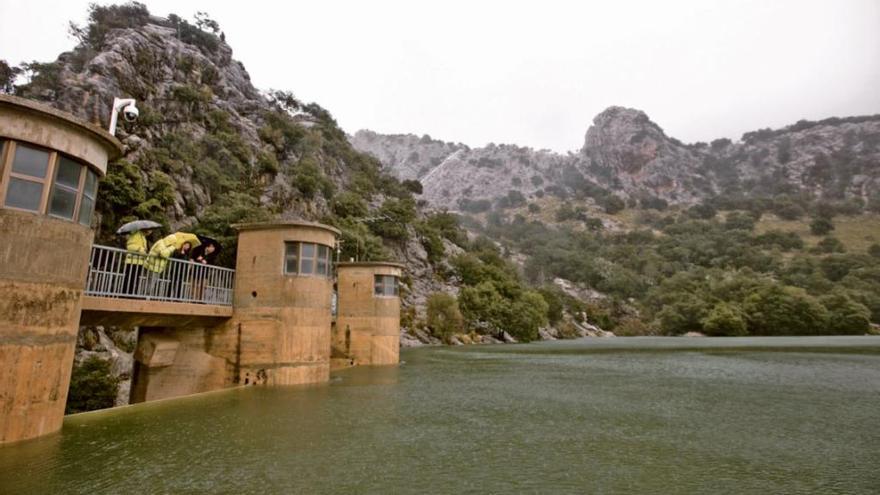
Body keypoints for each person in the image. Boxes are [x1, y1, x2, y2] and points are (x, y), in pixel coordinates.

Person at [123, 229, 148, 296]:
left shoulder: (143, 237)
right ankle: (125, 294)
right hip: (132, 261)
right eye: (150, 230)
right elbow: (129, 246)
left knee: (135, 279)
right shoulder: (136, 235)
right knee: (129, 278)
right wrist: (140, 249)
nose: (150, 232)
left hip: (139, 262)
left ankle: (132, 294)